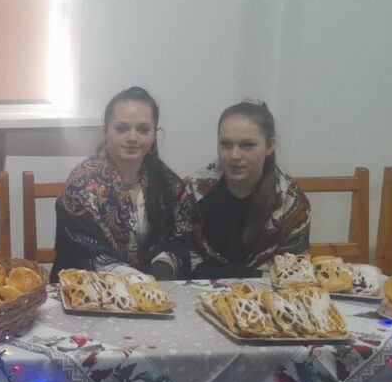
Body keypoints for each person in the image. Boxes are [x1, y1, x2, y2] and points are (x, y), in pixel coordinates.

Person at [49, 87, 196, 283]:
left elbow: (181, 240)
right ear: (106, 133)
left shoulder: (169, 184)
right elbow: (81, 252)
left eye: (143, 130)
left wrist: (164, 264)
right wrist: (135, 279)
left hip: (156, 287)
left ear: (154, 135)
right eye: (121, 129)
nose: (132, 138)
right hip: (89, 289)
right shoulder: (82, 185)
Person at [188, 99, 310, 279]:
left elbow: (294, 270)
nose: (234, 155)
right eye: (226, 144)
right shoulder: (193, 190)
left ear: (270, 146)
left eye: (247, 145)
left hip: (269, 292)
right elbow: (184, 255)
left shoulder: (291, 201)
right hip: (200, 290)